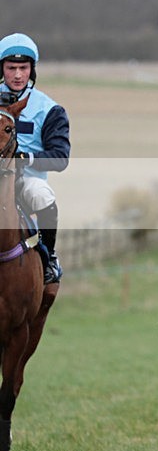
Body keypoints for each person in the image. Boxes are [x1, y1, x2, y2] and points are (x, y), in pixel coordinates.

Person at [0, 32, 70, 284]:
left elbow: (60, 158)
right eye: (11, 68)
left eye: (23, 68)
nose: (18, 75)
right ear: (2, 69)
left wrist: (25, 158)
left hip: (27, 180)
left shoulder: (49, 109)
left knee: (43, 195)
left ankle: (49, 257)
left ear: (32, 69)